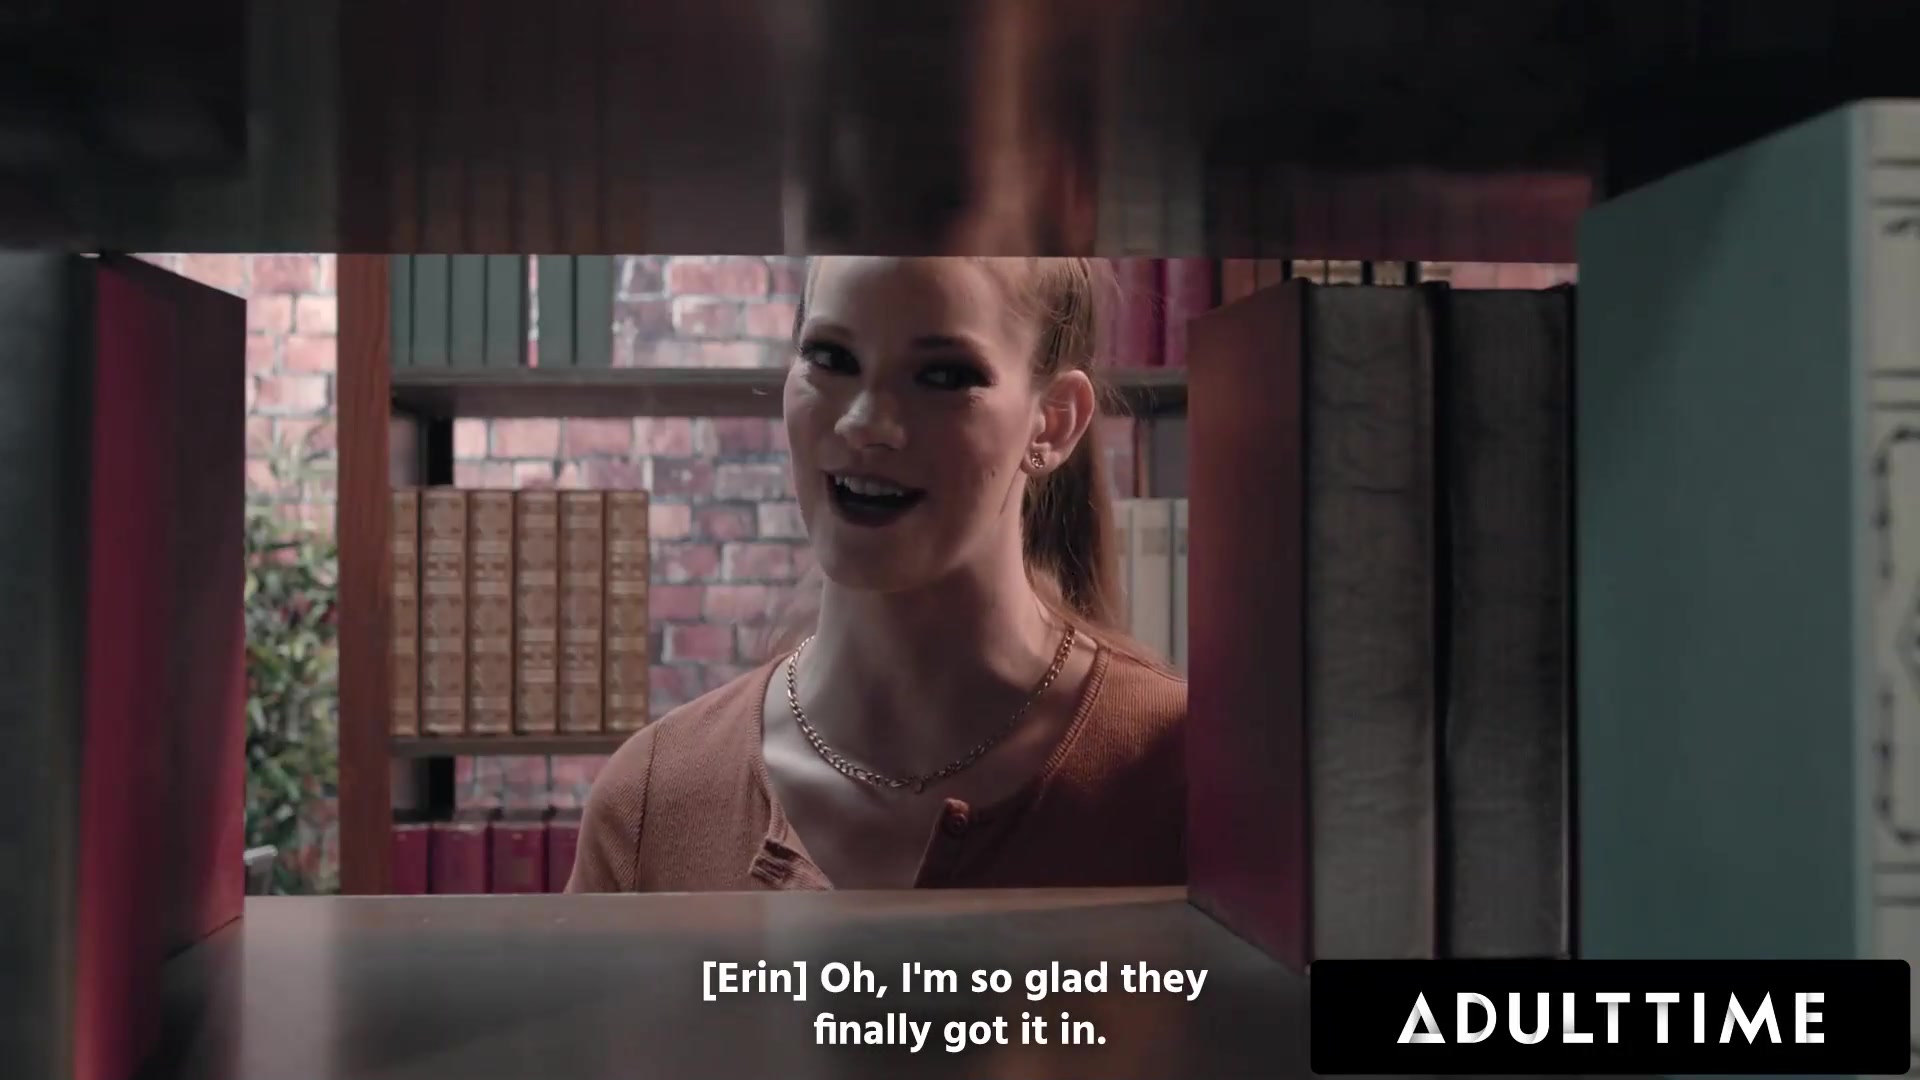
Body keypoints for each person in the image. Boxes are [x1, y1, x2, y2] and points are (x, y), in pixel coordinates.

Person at [567, 257, 1186, 892]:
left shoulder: (1186, 771)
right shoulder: (651, 803)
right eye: (831, 359)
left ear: (1053, 420)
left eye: (943, 376)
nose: (864, 422)